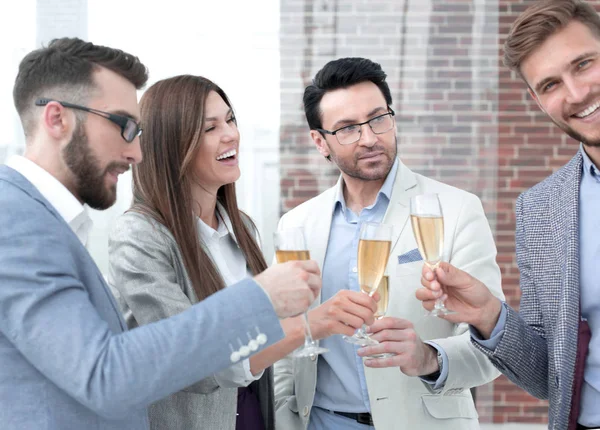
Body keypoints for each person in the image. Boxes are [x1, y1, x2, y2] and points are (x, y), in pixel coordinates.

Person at [0, 38, 321, 430]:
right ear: (57, 119)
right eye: (124, 126)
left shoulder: (43, 221)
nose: (136, 153)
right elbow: (106, 374)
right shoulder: (15, 220)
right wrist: (261, 299)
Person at [107, 74, 379, 430]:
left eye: (230, 119)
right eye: (210, 128)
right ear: (172, 144)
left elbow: (264, 336)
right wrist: (310, 326)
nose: (231, 134)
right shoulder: (139, 237)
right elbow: (192, 363)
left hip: (253, 416)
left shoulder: (242, 228)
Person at [273, 57, 504, 430]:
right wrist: (283, 416)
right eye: (347, 128)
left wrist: (427, 357)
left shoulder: (458, 210)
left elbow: (496, 347)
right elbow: (287, 344)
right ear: (320, 142)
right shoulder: (297, 225)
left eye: (378, 118)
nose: (369, 138)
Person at [416, 1, 600, 429]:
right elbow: (549, 376)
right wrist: (488, 315)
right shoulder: (541, 209)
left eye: (584, 64)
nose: (575, 94)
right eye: (551, 84)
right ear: (537, 101)